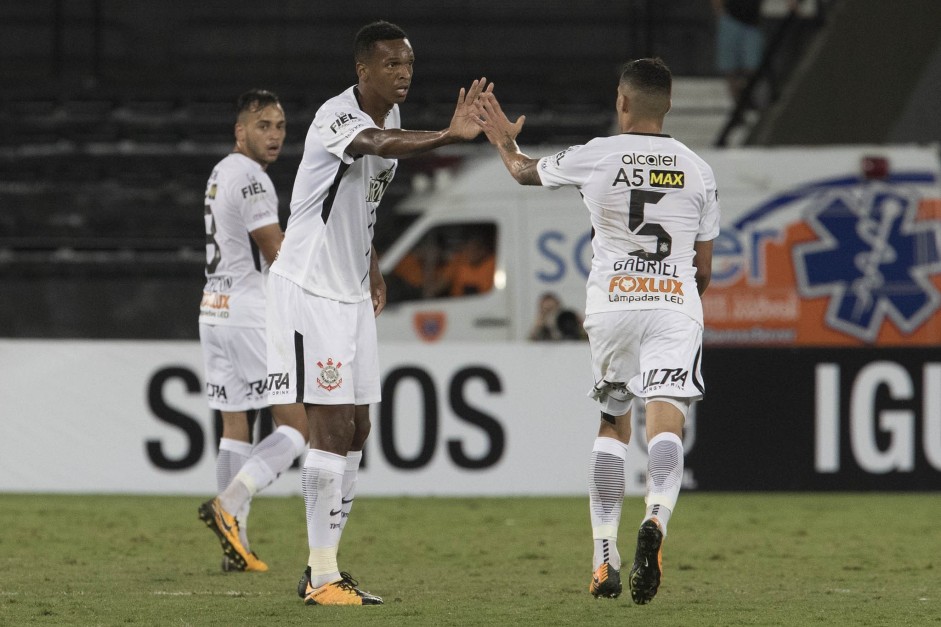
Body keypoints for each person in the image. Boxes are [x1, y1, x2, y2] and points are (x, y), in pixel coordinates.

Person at [473, 58, 720, 605]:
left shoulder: (596, 155)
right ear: (670, 105)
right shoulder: (698, 169)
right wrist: (675, 299)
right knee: (666, 427)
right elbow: (705, 268)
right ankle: (655, 519)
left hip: (613, 306)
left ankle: (602, 558)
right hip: (674, 304)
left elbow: (521, 170)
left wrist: (502, 138)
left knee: (613, 426)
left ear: (621, 102)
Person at [263, 20, 490, 606]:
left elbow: (358, 201)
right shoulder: (337, 116)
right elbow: (375, 148)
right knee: (332, 424)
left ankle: (325, 566)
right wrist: (448, 134)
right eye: (391, 65)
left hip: (350, 289)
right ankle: (320, 576)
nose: (403, 74)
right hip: (312, 288)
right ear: (363, 70)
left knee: (359, 427)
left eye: (409, 65)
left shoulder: (388, 115)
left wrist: (371, 264)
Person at [196, 89, 309, 573]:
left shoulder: (221, 171)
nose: (275, 135)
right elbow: (274, 251)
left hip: (213, 308)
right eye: (264, 125)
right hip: (248, 315)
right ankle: (230, 501)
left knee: (234, 424)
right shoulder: (254, 179)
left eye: (280, 126)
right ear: (240, 130)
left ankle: (235, 544)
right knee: (297, 426)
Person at [712, 0, 765, 103]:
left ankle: (754, 101)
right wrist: (720, 12)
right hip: (731, 17)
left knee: (753, 67)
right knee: (731, 69)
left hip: (752, 21)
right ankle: (738, 105)